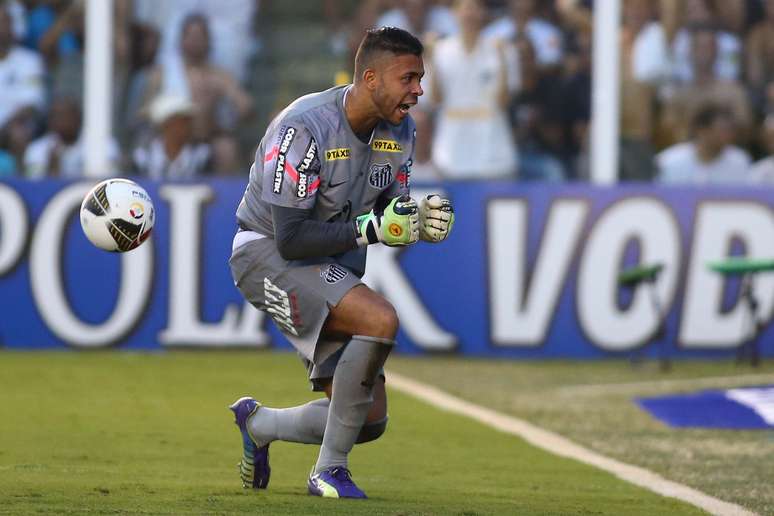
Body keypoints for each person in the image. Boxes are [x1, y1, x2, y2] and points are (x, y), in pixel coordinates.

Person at [228, 26, 454, 499]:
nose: (418, 90)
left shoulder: (402, 130)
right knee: (381, 317)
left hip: (331, 264)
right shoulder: (304, 127)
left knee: (367, 419)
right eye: (408, 78)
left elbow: (391, 211)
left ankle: (260, 424)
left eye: (420, 77)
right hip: (266, 252)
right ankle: (327, 472)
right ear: (370, 78)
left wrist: (417, 223)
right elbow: (290, 238)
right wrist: (372, 228)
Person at [656, 104, 751, 184]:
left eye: (731, 130)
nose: (728, 135)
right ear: (701, 130)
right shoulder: (668, 161)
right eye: (722, 130)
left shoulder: (740, 161)